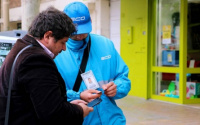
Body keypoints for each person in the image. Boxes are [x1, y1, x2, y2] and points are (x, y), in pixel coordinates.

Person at [0, 6, 93, 125]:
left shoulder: (22, 48)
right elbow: (53, 114)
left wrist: (67, 106)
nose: (64, 48)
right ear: (48, 35)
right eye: (63, 42)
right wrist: (79, 111)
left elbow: (41, 102)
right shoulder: (36, 60)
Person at [54, 2, 131, 125]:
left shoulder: (106, 45)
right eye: (75, 32)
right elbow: (53, 94)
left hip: (113, 120)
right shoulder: (56, 52)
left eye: (83, 31)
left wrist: (117, 87)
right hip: (81, 120)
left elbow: (124, 78)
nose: (79, 36)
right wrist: (78, 96)